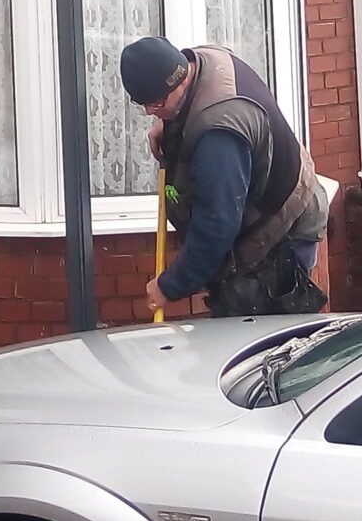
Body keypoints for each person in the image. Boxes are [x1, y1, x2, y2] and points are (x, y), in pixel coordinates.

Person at [120, 34, 328, 317]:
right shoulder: (200, 60)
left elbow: (215, 228)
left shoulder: (218, 136)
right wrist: (166, 120)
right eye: (143, 104)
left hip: (283, 229)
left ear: (179, 81)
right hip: (266, 201)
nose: (148, 112)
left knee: (262, 337)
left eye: (155, 104)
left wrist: (168, 286)